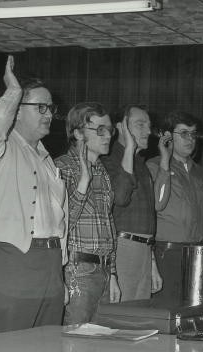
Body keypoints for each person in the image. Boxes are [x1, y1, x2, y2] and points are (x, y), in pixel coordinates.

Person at [0, 64, 67, 336]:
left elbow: (59, 218)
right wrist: (12, 93)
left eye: (51, 108)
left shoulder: (47, 158)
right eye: (41, 107)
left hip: (51, 266)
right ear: (17, 110)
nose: (49, 114)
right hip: (11, 262)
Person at [56, 102, 121, 325]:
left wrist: (112, 273)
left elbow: (107, 225)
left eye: (109, 130)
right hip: (77, 270)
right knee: (74, 345)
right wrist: (83, 182)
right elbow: (60, 223)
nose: (107, 136)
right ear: (78, 133)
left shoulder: (102, 170)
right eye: (99, 130)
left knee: (99, 348)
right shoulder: (60, 168)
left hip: (102, 269)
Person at [147, 110, 203, 305]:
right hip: (166, 254)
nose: (190, 139)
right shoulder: (153, 166)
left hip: (197, 254)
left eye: (193, 134)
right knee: (166, 314)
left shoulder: (202, 174)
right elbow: (152, 210)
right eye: (184, 133)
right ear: (167, 136)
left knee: (194, 315)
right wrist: (151, 260)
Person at [101, 104, 164, 300]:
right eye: (140, 125)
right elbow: (120, 198)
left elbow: (149, 219)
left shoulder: (141, 164)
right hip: (122, 248)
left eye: (149, 125)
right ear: (121, 127)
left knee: (138, 319)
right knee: (122, 319)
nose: (148, 131)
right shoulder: (108, 159)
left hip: (143, 250)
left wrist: (151, 262)